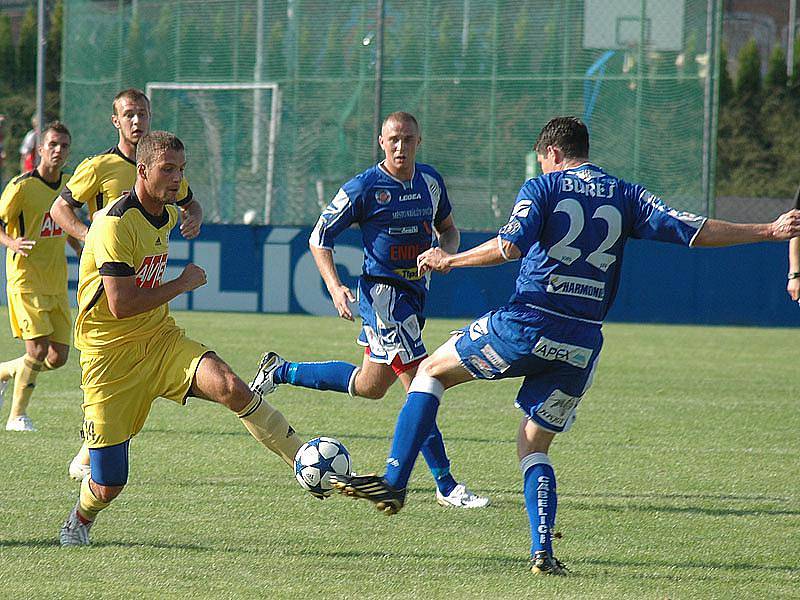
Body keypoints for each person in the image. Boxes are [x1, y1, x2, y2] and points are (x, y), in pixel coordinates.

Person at [330, 116, 800, 575]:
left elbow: (509, 246)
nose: (540, 167)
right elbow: (692, 229)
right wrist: (767, 231)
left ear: (552, 154)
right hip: (581, 341)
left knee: (430, 371)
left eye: (541, 160)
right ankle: (542, 551)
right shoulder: (626, 193)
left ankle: (395, 481)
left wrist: (452, 260)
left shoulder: (543, 188)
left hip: (527, 323)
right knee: (534, 444)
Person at [59, 131, 306, 546]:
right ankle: (81, 518)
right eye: (167, 170)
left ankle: (304, 461)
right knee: (109, 484)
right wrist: (182, 283)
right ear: (142, 171)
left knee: (230, 385)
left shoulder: (165, 212)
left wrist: (194, 215)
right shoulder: (114, 225)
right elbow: (120, 304)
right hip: (108, 360)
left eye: (181, 170)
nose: (177, 179)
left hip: (160, 341)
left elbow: (188, 208)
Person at [251, 112, 489, 509]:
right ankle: (446, 485)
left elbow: (449, 230)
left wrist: (445, 252)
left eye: (408, 139)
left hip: (413, 297)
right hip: (383, 299)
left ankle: (280, 370)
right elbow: (319, 237)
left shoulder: (430, 182)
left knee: (370, 386)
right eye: (393, 139)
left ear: (418, 141)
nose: (401, 147)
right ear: (381, 141)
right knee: (422, 382)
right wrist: (335, 286)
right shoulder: (364, 187)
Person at [50, 88, 202, 481]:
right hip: (110, 279)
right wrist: (90, 238)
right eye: (129, 115)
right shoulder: (98, 166)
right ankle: (97, 445)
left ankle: (95, 449)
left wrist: (193, 217)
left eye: (143, 114)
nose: (137, 121)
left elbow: (189, 201)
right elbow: (59, 208)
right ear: (116, 121)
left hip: (142, 279)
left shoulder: (162, 165)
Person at [0, 122, 81, 431]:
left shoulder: (70, 185)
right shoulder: (21, 187)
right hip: (26, 279)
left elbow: (67, 223)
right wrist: (11, 242)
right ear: (41, 149)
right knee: (36, 350)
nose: (59, 150)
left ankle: (6, 371)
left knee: (57, 357)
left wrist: (79, 245)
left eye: (64, 146)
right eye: (53, 145)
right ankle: (17, 417)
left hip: (56, 281)